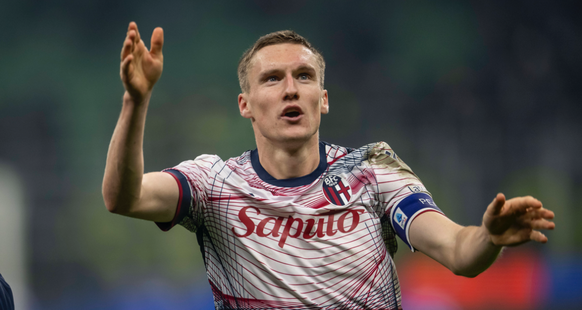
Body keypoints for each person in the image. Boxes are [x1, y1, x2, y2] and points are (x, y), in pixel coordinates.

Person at [102, 22, 555, 310]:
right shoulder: (212, 183)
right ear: (246, 105)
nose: (290, 89)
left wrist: (489, 237)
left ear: (323, 98)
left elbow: (458, 251)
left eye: (304, 77)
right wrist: (135, 102)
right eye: (272, 79)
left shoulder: (372, 168)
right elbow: (123, 198)